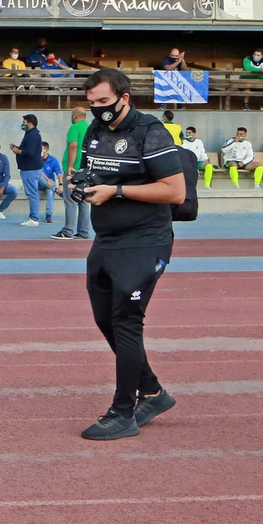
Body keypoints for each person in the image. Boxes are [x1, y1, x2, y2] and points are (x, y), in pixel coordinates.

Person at [73, 68, 185, 441]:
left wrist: (116, 192)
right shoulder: (95, 130)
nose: (98, 110)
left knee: (126, 321)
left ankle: (123, 412)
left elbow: (174, 191)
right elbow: (91, 173)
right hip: (106, 240)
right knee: (106, 320)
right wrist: (80, 185)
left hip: (145, 240)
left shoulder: (150, 131)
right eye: (92, 104)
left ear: (124, 98)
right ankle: (152, 392)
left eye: (104, 102)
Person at [53, 106, 93, 240]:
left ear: (75, 116)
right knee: (83, 200)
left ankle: (68, 230)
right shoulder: (90, 128)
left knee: (70, 199)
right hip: (86, 169)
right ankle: (83, 231)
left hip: (74, 169)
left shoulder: (74, 128)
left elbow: (73, 146)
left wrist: (70, 165)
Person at [10, 114, 44, 226]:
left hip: (31, 168)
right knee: (31, 192)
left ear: (30, 123)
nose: (22, 124)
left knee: (32, 193)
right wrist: (17, 148)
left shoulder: (33, 135)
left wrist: (18, 151)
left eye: (24, 122)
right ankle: (33, 217)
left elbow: (30, 152)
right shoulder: (29, 134)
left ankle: (34, 218)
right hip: (29, 168)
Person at [40, 142, 63, 223]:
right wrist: (48, 180)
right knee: (39, 176)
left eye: (41, 149)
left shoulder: (53, 160)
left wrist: (60, 185)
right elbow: (39, 172)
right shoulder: (36, 159)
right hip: (39, 183)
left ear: (46, 150)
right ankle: (55, 189)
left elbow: (59, 174)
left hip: (50, 184)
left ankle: (48, 215)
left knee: (50, 190)